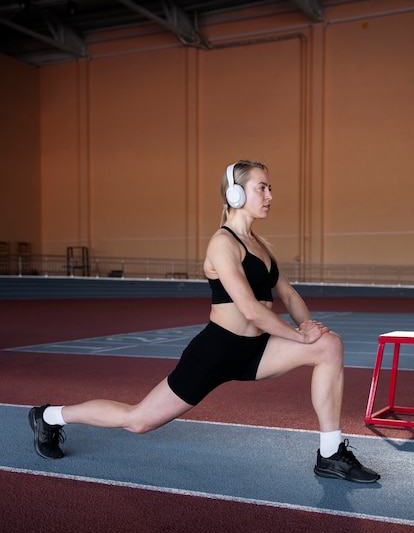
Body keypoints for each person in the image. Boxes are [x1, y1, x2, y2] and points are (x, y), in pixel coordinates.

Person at [29, 159, 380, 483]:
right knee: (138, 421)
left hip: (256, 349)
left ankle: (330, 454)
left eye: (270, 188)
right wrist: (299, 337)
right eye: (262, 187)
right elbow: (250, 309)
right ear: (236, 193)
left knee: (329, 345)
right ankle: (50, 416)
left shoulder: (259, 245)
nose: (270, 195)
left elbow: (288, 296)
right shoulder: (222, 245)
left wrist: (308, 327)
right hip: (217, 350)